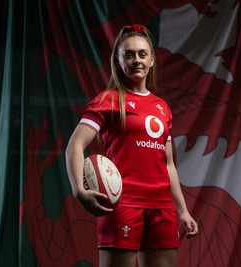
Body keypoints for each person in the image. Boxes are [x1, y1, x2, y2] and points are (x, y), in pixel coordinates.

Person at [65, 24, 198, 267]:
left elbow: (168, 165)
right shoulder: (107, 101)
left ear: (152, 60)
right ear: (118, 60)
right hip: (122, 205)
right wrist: (78, 190)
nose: (136, 60)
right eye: (129, 54)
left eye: (142, 54)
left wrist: (183, 211)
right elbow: (74, 145)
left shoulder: (162, 108)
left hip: (161, 209)